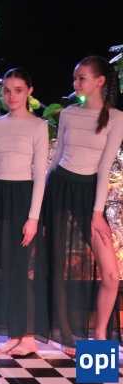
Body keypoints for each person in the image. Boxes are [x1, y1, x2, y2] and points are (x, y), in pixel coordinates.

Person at [39, 56, 123, 355]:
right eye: (75, 78)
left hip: (89, 193)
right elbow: (55, 159)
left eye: (82, 78)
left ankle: (99, 336)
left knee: (110, 274)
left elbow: (104, 168)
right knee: (56, 264)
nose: (76, 83)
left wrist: (97, 214)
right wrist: (38, 203)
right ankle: (64, 335)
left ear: (100, 81)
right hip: (60, 187)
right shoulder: (68, 114)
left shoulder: (115, 118)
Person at [0, 68, 49, 356]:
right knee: (5, 267)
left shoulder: (38, 126)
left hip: (22, 197)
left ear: (29, 91)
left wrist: (33, 217)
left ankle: (29, 336)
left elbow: (40, 175)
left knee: (22, 268)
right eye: (7, 90)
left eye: (18, 90)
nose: (12, 96)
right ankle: (14, 332)